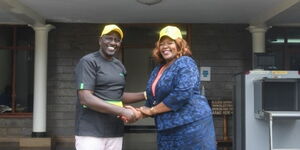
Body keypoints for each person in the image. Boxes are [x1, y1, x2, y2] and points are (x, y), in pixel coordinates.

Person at [124, 25, 217, 150]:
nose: (165, 47)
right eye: (162, 44)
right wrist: (138, 113)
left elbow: (182, 93)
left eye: (170, 43)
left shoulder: (185, 62)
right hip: (167, 128)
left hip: (191, 126)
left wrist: (152, 111)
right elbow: (153, 98)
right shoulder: (158, 69)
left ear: (179, 45)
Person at [74, 24, 144, 150]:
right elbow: (85, 98)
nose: (113, 42)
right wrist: (123, 111)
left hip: (114, 130)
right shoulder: (89, 61)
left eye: (117, 40)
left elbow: (118, 96)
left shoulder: (119, 66)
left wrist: (145, 94)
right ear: (100, 40)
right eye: (109, 38)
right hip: (91, 131)